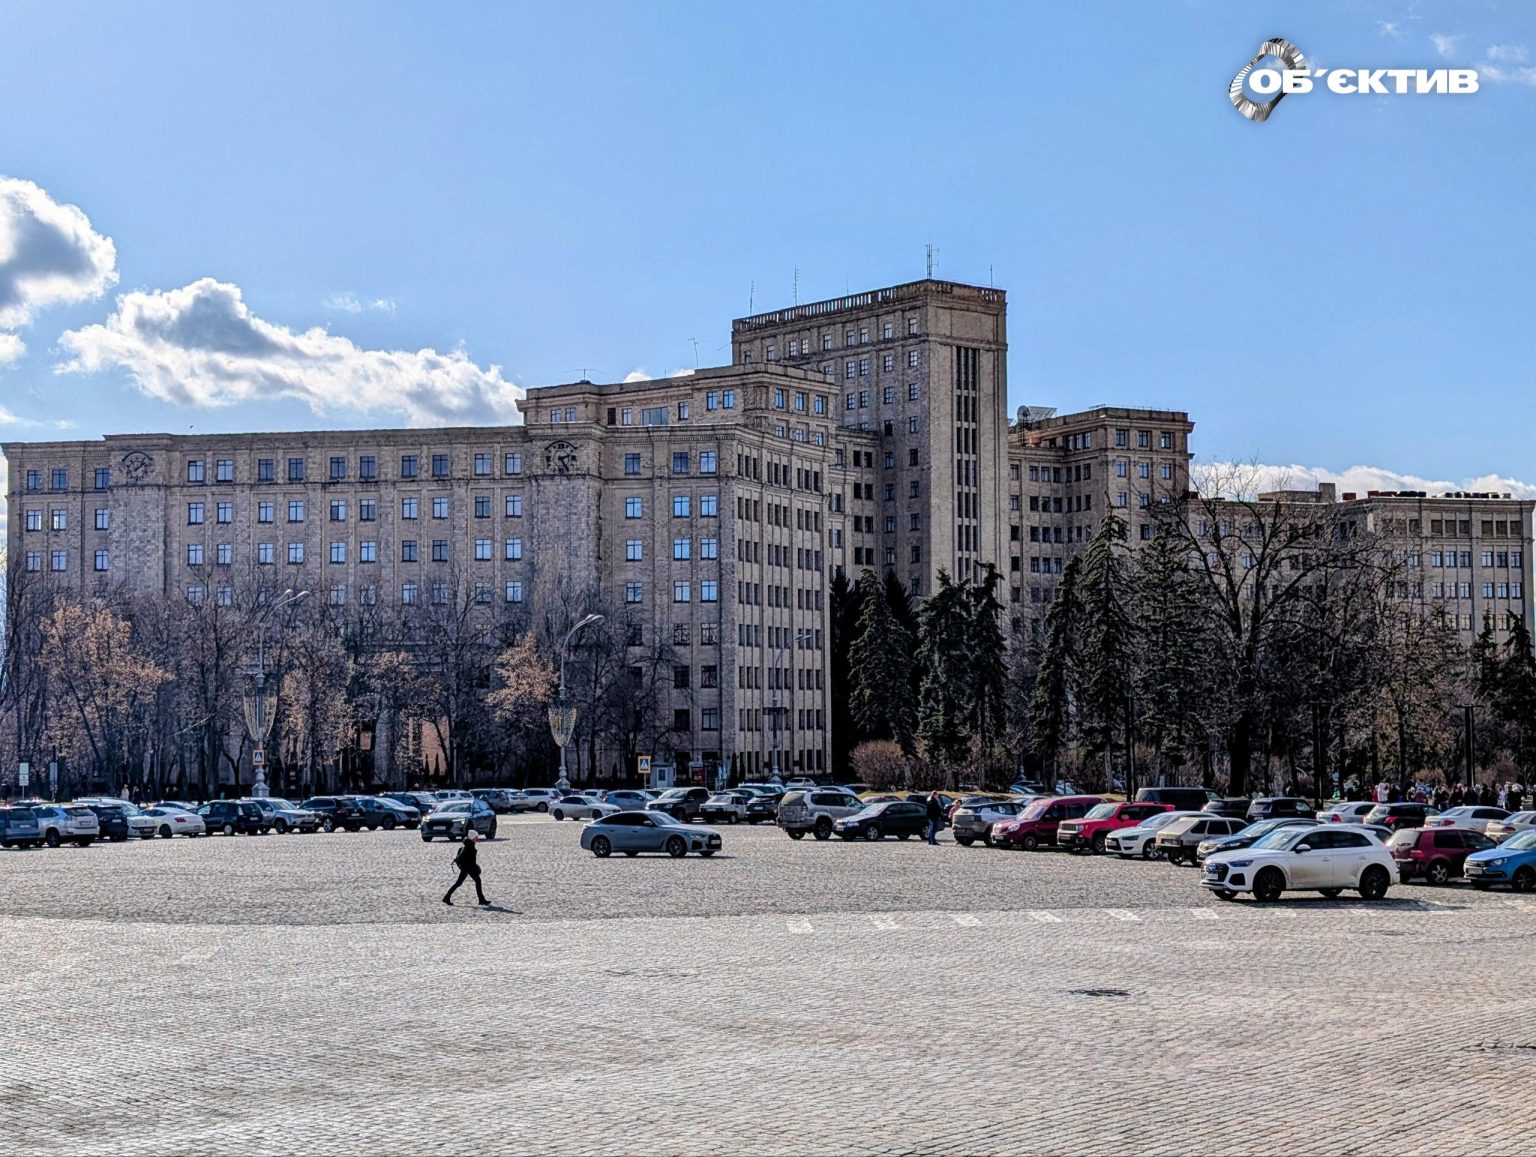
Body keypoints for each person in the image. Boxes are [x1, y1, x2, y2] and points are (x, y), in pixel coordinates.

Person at [443, 829, 490, 906]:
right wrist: (477, 869)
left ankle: (447, 897)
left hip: (465, 868)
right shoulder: (470, 847)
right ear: (472, 838)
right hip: (468, 868)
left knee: (459, 883)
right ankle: (481, 899)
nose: (477, 839)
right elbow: (471, 862)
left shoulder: (466, 844)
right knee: (477, 881)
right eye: (476, 837)